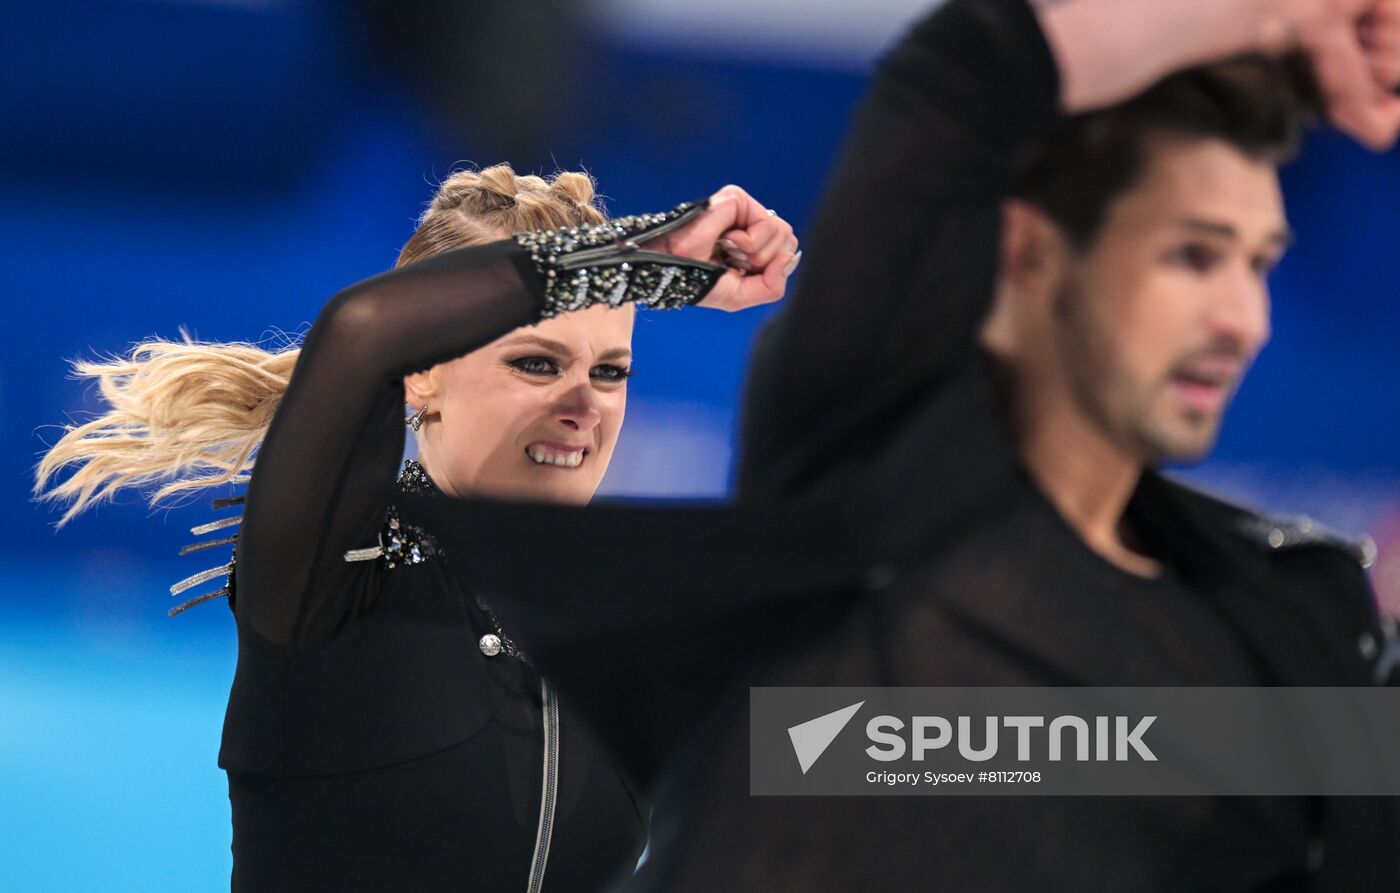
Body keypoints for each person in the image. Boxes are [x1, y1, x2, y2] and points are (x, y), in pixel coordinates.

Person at [400, 0, 1400, 889]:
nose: (1243, 318)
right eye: (1191, 255)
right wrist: (1268, 15)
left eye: (1259, 263)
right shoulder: (875, 486)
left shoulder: (1288, 629)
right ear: (1031, 256)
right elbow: (968, 77)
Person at [34, 165, 798, 891]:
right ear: (423, 372)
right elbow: (363, 330)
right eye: (536, 363)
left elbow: (849, 747)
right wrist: (635, 257)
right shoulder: (333, 578)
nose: (584, 404)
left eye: (609, 371)